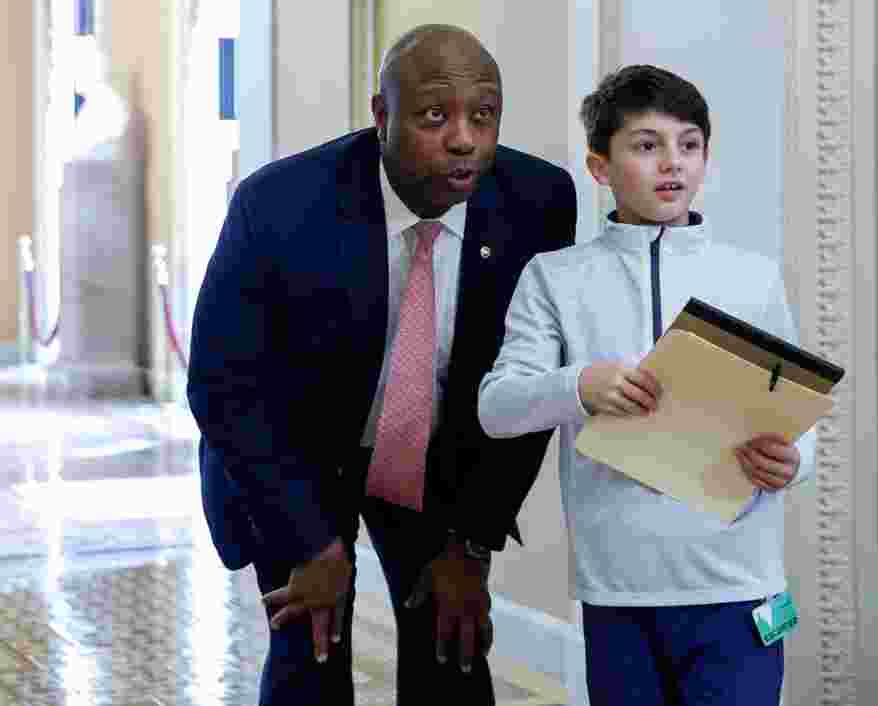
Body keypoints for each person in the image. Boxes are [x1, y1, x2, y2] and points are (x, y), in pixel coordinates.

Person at [187, 24, 577, 706]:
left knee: (452, 646)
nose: (464, 138)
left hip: (435, 453)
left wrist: (471, 543)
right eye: (434, 115)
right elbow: (225, 384)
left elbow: (530, 382)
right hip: (297, 453)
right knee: (310, 645)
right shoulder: (280, 205)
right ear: (380, 117)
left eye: (483, 116)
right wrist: (312, 542)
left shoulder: (536, 203)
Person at [478, 64, 815, 705]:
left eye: (690, 144)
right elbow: (496, 407)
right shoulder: (554, 278)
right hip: (617, 591)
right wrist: (579, 386)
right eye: (647, 144)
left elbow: (798, 413)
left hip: (740, 586)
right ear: (600, 167)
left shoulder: (754, 277)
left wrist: (795, 462)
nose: (673, 163)